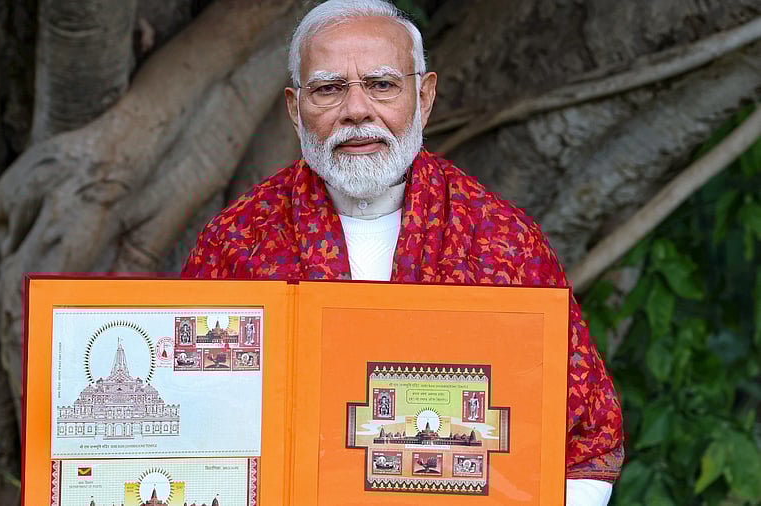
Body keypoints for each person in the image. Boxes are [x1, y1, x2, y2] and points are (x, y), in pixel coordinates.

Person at [182, 1, 622, 504]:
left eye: (382, 85)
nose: (356, 111)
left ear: (425, 95)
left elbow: (587, 440)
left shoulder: (502, 241)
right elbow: (196, 420)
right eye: (328, 89)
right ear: (294, 107)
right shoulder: (237, 240)